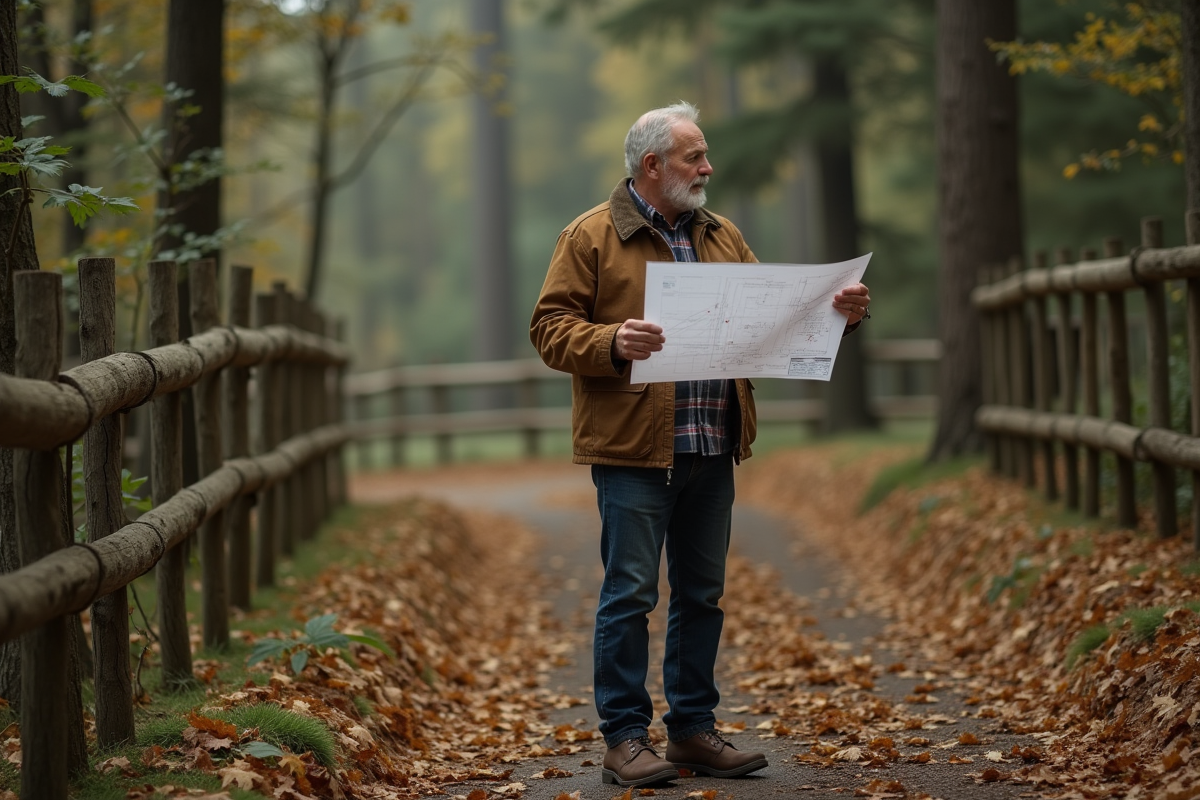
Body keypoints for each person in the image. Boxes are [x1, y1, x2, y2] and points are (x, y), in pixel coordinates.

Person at [529, 101, 871, 788]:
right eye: (695, 156)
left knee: (702, 594)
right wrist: (610, 341)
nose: (708, 167)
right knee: (630, 593)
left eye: (705, 154)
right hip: (632, 452)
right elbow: (548, 327)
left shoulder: (722, 235)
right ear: (653, 165)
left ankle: (690, 730)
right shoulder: (590, 235)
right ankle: (624, 738)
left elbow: (770, 323)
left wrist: (837, 317)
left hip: (712, 445)